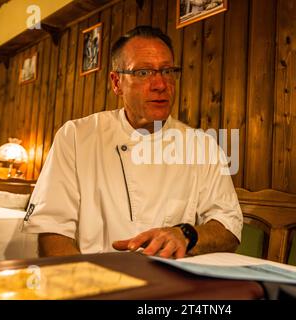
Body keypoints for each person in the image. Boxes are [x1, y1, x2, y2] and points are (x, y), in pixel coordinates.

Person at [22, 25, 242, 259]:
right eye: (143, 73)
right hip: (97, 280)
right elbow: (52, 229)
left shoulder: (202, 146)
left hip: (172, 283)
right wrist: (84, 286)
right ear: (117, 83)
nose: (160, 84)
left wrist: (185, 234)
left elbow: (229, 226)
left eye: (167, 71)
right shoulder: (76, 136)